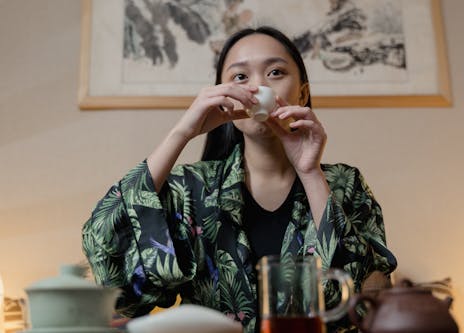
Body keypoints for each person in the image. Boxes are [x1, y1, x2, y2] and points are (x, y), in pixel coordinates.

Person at [82, 26, 397, 333]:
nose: (258, 87)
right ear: (222, 95)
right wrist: (182, 133)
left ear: (302, 91)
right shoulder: (190, 189)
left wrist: (310, 173)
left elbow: (367, 302)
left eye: (275, 73)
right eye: (240, 77)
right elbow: (110, 263)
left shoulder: (344, 183)